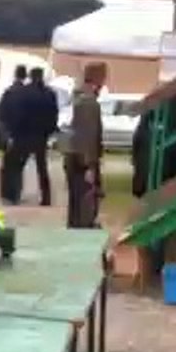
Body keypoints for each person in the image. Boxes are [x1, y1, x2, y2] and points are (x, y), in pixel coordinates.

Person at [2, 66, 58, 206]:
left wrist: (15, 132)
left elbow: (18, 114)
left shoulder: (23, 93)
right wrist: (49, 131)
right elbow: (54, 114)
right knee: (42, 168)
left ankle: (14, 195)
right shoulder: (49, 93)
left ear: (31, 77)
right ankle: (46, 197)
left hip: (24, 134)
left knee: (17, 165)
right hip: (41, 135)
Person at [63, 61, 106, 228]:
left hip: (73, 156)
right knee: (85, 202)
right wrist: (89, 166)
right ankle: (84, 229)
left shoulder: (78, 97)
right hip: (82, 160)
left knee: (76, 201)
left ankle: (77, 227)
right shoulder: (89, 102)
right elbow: (87, 136)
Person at [0, 64, 28, 203]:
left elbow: (1, 114)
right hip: (22, 135)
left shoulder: (8, 93)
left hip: (9, 134)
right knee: (18, 167)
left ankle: (6, 194)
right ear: (25, 76)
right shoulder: (27, 93)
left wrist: (5, 133)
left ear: (15, 75)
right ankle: (16, 193)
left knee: (7, 166)